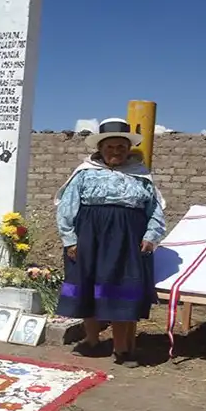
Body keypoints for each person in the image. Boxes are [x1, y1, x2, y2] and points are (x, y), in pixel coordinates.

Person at [54, 118, 167, 368]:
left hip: (128, 240)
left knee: (121, 289)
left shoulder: (141, 175)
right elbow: (66, 207)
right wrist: (70, 240)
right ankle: (91, 340)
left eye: (121, 147)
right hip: (89, 237)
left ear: (128, 149)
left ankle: (122, 348)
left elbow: (155, 209)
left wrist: (151, 236)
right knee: (87, 285)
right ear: (100, 148)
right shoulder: (84, 173)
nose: (116, 151)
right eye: (110, 147)